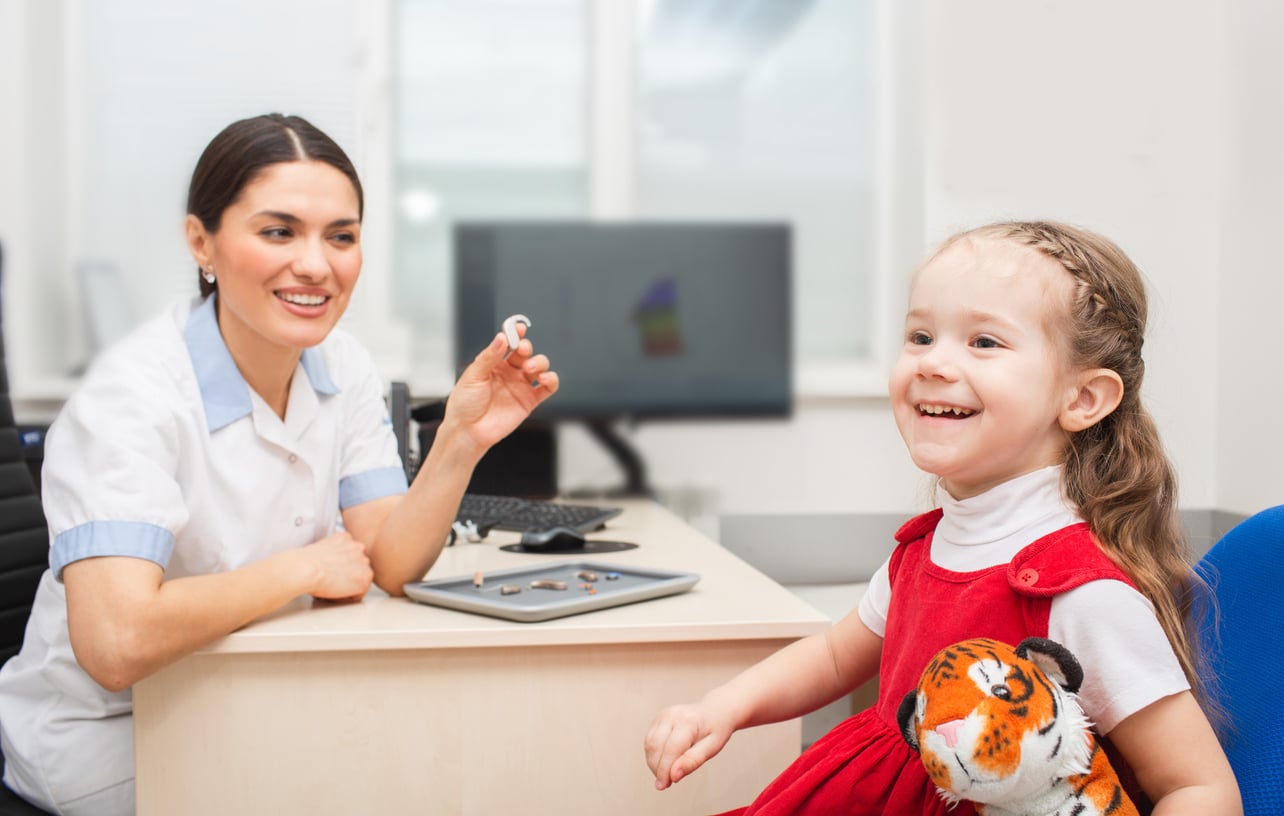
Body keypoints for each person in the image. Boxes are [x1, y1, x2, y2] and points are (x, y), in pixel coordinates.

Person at [0, 113, 558, 816]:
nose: (317, 265)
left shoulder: (342, 365)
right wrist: (300, 569)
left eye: (342, 236)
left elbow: (388, 561)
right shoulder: (131, 397)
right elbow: (116, 641)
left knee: (459, 761)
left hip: (250, 694)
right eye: (278, 231)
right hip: (117, 741)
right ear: (201, 242)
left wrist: (458, 442)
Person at [643, 221, 1242, 814]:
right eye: (921, 336)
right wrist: (721, 707)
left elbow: (1197, 788)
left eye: (984, 342)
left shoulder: (1081, 593)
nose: (933, 363)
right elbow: (831, 657)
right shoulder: (923, 550)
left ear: (1082, 399)